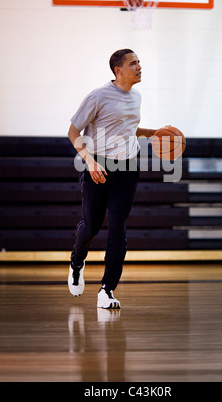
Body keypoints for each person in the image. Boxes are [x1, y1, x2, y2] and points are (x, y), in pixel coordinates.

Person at [67, 49, 157, 309]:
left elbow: (129, 128)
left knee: (119, 227)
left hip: (128, 168)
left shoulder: (136, 96)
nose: (139, 66)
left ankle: (107, 289)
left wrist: (155, 132)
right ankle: (77, 260)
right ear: (118, 70)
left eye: (140, 61)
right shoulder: (98, 96)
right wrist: (90, 160)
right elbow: (73, 131)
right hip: (99, 166)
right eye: (133, 63)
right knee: (92, 226)